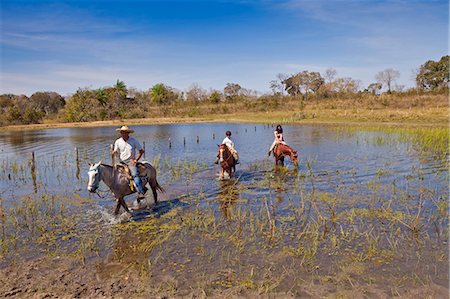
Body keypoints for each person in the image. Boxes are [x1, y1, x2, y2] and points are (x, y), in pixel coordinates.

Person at [113, 125, 147, 199]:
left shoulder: (133, 140)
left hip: (130, 162)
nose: (124, 134)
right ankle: (115, 191)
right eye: (122, 132)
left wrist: (135, 160)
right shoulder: (118, 141)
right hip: (121, 162)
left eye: (125, 132)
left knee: (135, 175)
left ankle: (141, 192)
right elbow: (116, 151)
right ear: (121, 133)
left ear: (128, 133)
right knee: (112, 175)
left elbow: (141, 151)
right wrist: (114, 153)